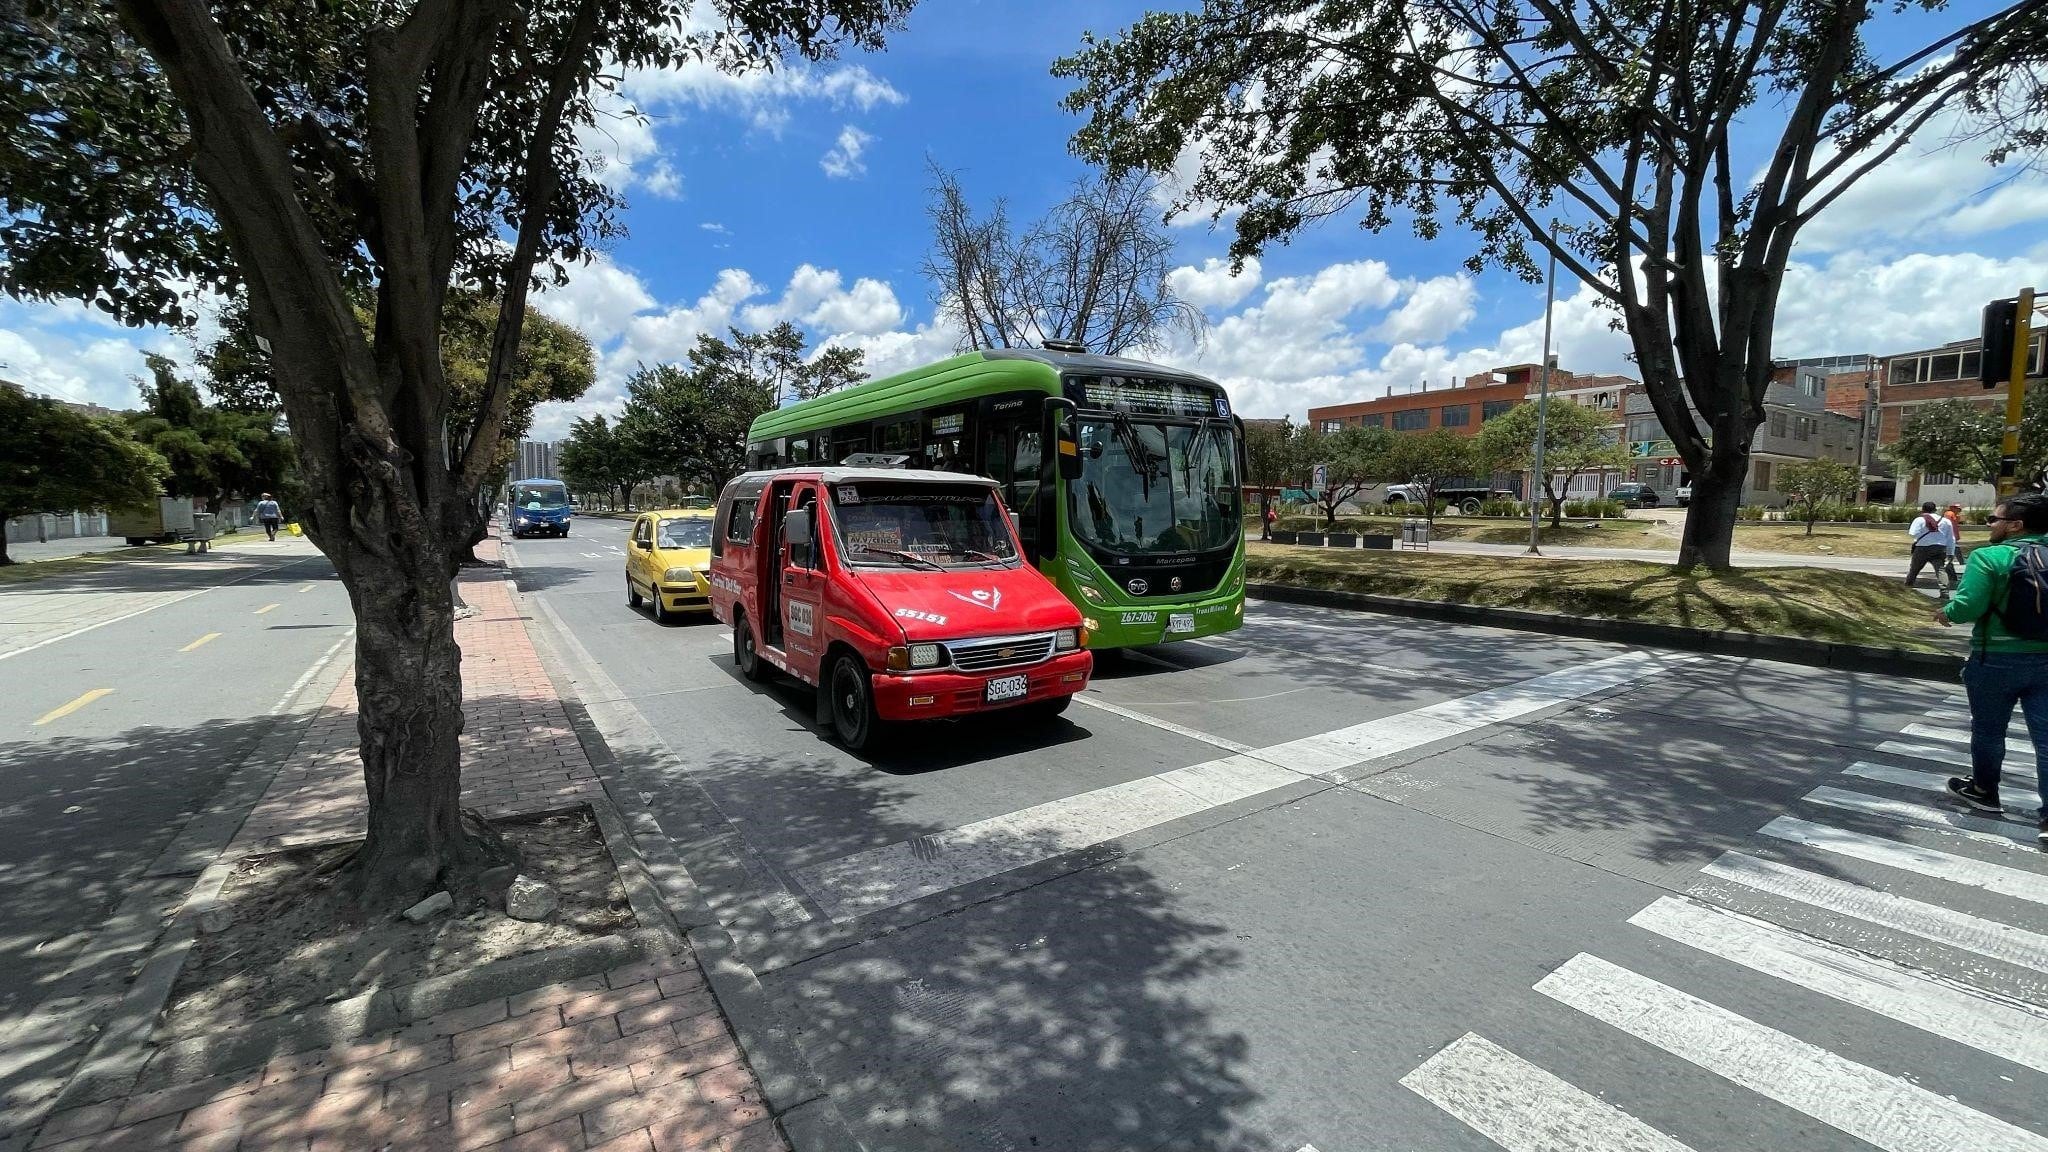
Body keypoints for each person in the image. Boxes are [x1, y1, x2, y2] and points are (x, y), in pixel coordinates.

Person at [1938, 493, 2048, 842]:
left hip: (1995, 659)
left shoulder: (1990, 557)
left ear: (2015, 525)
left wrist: (1946, 613)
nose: (1990, 524)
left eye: (1993, 519)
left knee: (1988, 730)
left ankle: (1985, 791)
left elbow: (1968, 606)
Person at [1905, 500, 1956, 594]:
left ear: (1923, 509)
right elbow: (1951, 538)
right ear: (1935, 510)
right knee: (1940, 570)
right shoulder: (1946, 521)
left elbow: (1912, 533)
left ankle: (1908, 587)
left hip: (1922, 547)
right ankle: (1944, 592)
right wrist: (1951, 552)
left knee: (1914, 569)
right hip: (1939, 548)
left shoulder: (1919, 519)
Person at [1943, 502, 1965, 585]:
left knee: (1953, 551)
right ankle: (1961, 561)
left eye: (1959, 508)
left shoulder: (1954, 515)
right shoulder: (1949, 514)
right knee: (1954, 550)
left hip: (1952, 536)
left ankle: (1960, 562)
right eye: (1956, 508)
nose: (1958, 510)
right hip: (1950, 536)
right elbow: (1949, 525)